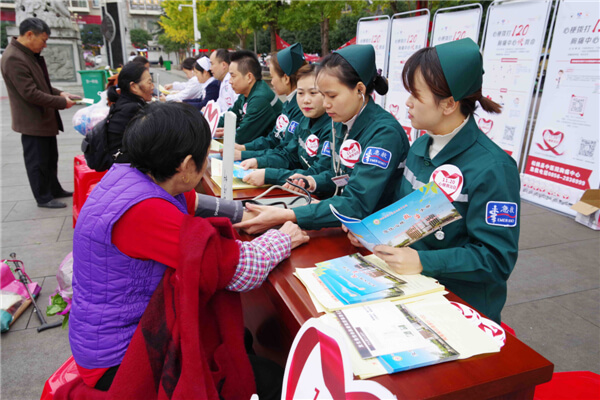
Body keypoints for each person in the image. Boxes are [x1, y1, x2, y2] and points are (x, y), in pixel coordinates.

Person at [69, 102, 309, 397]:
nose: (208, 163)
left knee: (239, 338)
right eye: (206, 156)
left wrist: (249, 214)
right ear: (184, 165)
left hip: (109, 334)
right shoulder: (144, 213)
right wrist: (286, 235)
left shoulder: (133, 175)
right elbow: (240, 270)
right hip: (122, 354)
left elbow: (195, 203)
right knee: (271, 379)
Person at [346, 39, 520, 324]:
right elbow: (406, 213)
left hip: (460, 309)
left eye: (416, 94)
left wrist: (424, 261)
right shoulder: (420, 147)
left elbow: (496, 259)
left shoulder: (494, 168)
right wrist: (370, 230)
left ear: (449, 104)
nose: (408, 102)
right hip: (411, 290)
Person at [235, 45, 409, 232]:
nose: (325, 104)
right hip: (346, 223)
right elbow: (339, 174)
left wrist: (290, 215)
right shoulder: (341, 120)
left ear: (359, 90)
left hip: (377, 232)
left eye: (331, 96)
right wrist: (312, 181)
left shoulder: (384, 134)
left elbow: (356, 203)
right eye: (323, 95)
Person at [1, 17, 77, 208]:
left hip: (43, 118)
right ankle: (43, 197)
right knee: (37, 162)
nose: (44, 45)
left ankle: (54, 188)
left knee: (50, 157)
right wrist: (61, 102)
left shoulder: (26, 54)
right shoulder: (13, 58)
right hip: (32, 121)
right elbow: (30, 93)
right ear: (29, 34)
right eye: (43, 40)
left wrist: (60, 93)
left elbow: (41, 84)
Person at [242, 64, 333, 199]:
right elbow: (289, 155)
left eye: (313, 93)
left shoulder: (332, 127)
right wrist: (258, 161)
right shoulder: (304, 119)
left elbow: (317, 173)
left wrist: (269, 175)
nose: (305, 100)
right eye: (300, 93)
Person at [235, 43, 307, 161]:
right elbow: (274, 138)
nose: (271, 82)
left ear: (286, 78)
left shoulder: (301, 108)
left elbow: (286, 152)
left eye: (272, 77)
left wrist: (245, 154)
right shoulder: (288, 103)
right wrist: (244, 148)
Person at [215, 50, 283, 144]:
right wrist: (211, 126)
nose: (230, 81)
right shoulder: (246, 93)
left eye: (233, 76)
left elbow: (241, 137)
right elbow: (230, 116)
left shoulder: (259, 98)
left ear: (249, 77)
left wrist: (226, 131)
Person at [103, 62, 154, 166]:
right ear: (134, 87)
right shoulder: (132, 109)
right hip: (125, 166)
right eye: (149, 82)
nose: (153, 86)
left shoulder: (126, 102)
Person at [209, 48, 238, 114]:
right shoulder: (223, 81)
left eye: (212, 64)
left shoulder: (231, 82)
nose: (210, 68)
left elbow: (234, 111)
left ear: (224, 65)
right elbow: (220, 104)